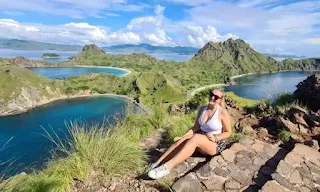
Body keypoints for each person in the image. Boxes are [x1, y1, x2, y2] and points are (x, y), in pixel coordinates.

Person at [147, 88, 232, 180]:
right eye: (211, 94)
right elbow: (195, 127)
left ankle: (167, 168)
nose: (212, 98)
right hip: (199, 137)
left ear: (220, 99)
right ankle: (158, 163)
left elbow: (228, 132)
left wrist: (216, 137)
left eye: (216, 97)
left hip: (214, 144)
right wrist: (183, 137)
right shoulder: (202, 109)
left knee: (196, 137)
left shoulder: (222, 113)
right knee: (180, 141)